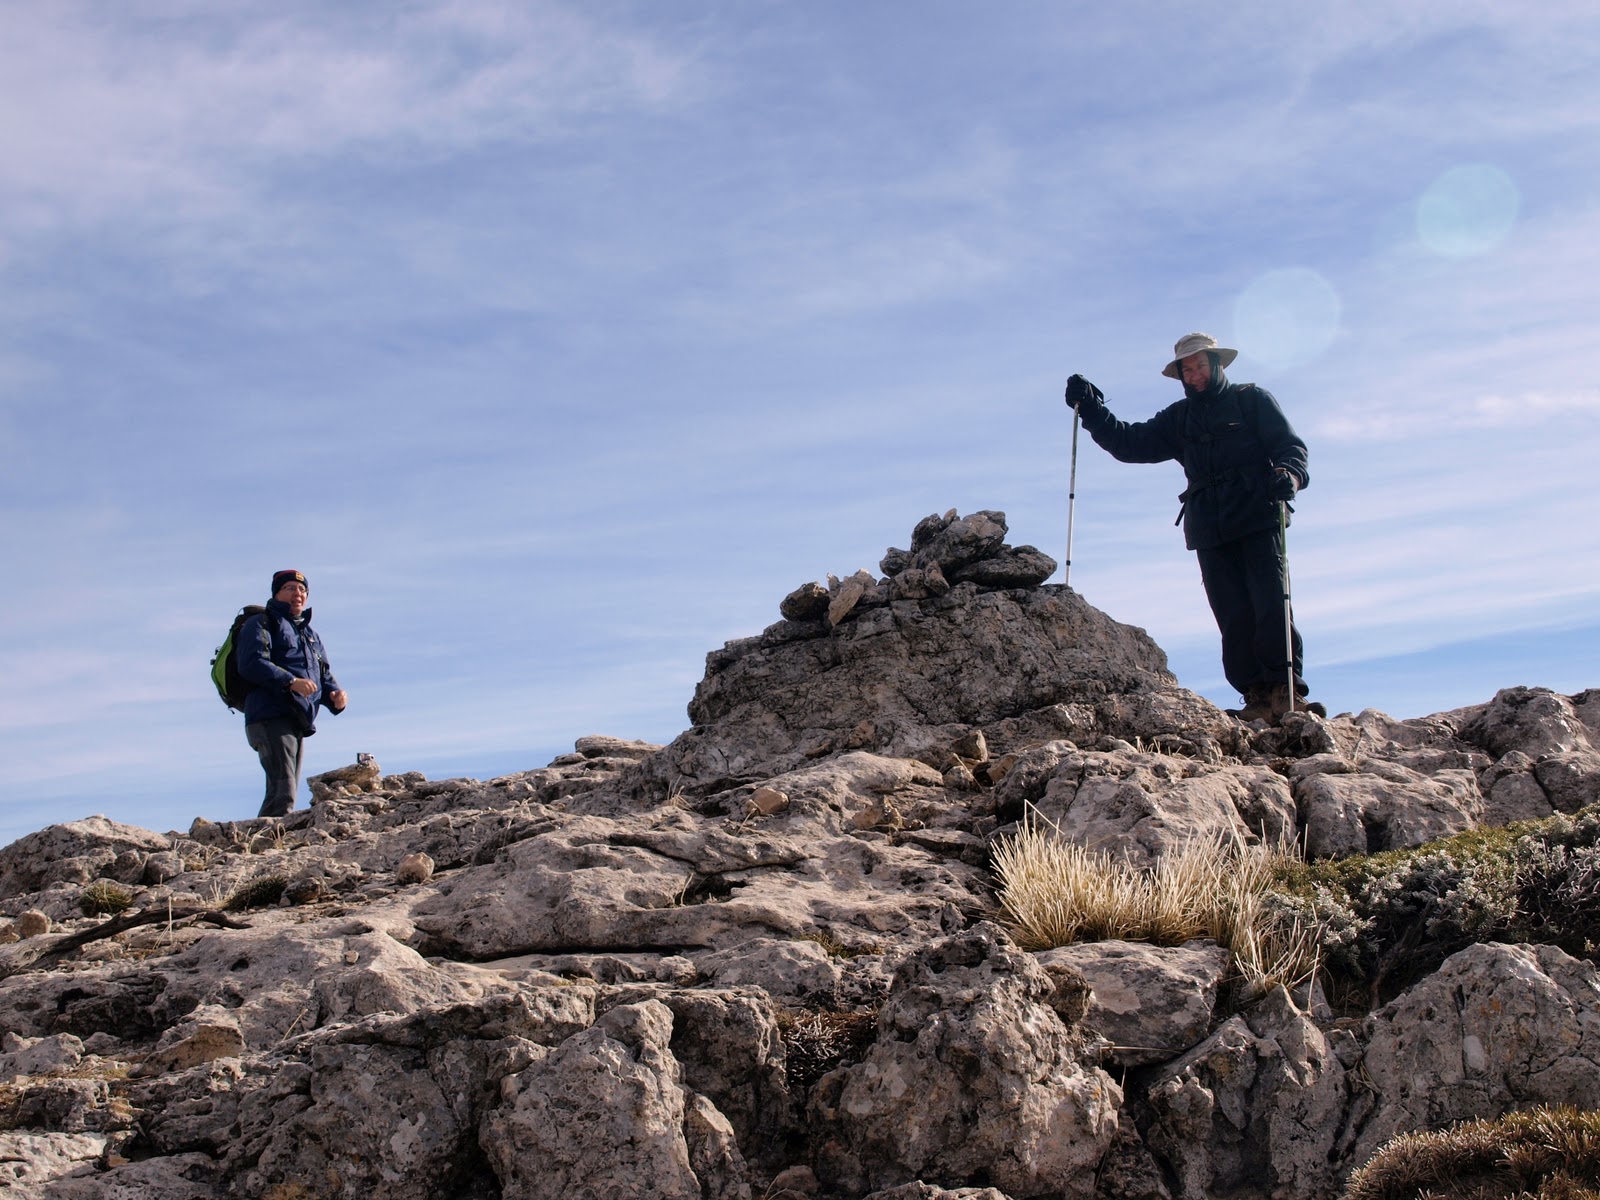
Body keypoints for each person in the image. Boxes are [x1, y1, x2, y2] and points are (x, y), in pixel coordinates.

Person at [1065, 332, 1313, 722]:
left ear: (1216, 365)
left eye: (1200, 366)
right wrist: (1092, 410)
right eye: (1187, 369)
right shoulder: (1179, 418)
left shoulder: (1252, 400)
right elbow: (1130, 443)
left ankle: (1287, 693)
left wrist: (1289, 476)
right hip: (1209, 527)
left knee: (1270, 602)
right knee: (1231, 613)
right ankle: (1257, 698)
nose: (1194, 375)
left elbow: (1291, 449)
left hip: (1259, 513)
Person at [236, 569, 348, 817]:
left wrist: (335, 695)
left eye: (302, 589)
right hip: (267, 714)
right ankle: (266, 846)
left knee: (286, 787)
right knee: (283, 789)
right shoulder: (262, 622)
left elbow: (323, 674)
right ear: (277, 593)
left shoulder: (310, 635)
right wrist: (290, 681)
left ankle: (267, 841)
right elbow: (251, 663)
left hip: (295, 717)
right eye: (290, 588)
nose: (298, 593)